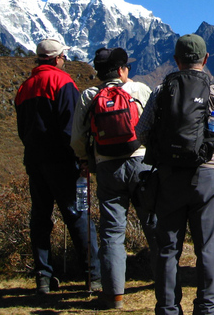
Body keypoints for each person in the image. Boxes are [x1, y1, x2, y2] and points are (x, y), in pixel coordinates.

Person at [136, 34, 214, 315]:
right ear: (205, 60)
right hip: (208, 177)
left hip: (169, 176)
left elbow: (141, 131)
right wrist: (213, 152)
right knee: (207, 246)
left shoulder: (161, 91)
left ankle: (168, 307)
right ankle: (207, 307)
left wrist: (165, 150)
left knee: (168, 246)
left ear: (176, 60)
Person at [70, 47, 157, 310]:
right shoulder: (140, 90)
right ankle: (166, 279)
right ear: (121, 70)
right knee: (153, 222)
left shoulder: (89, 95)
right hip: (141, 163)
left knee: (111, 230)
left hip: (107, 167)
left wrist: (86, 159)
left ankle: (113, 294)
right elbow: (156, 126)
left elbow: (76, 138)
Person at [15, 39, 100, 294]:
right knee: (77, 215)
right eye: (64, 56)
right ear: (57, 58)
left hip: (34, 161)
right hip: (62, 162)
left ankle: (43, 276)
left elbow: (22, 130)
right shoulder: (62, 82)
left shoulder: (25, 87)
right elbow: (71, 128)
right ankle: (93, 275)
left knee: (40, 218)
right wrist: (81, 157)